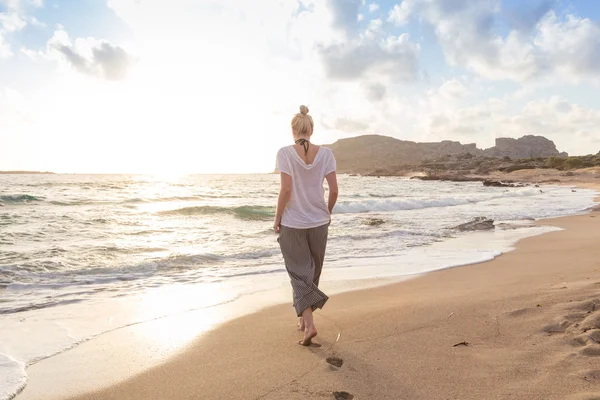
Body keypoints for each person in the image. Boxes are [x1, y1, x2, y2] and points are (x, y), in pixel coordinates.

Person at [273, 105, 338, 346]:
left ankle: (309, 325)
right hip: (319, 222)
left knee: (299, 272)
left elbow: (286, 189)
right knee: (312, 272)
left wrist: (277, 216)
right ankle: (304, 319)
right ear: (311, 129)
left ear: (293, 130)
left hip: (293, 223)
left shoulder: (284, 153)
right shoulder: (327, 154)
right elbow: (334, 190)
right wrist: (326, 213)